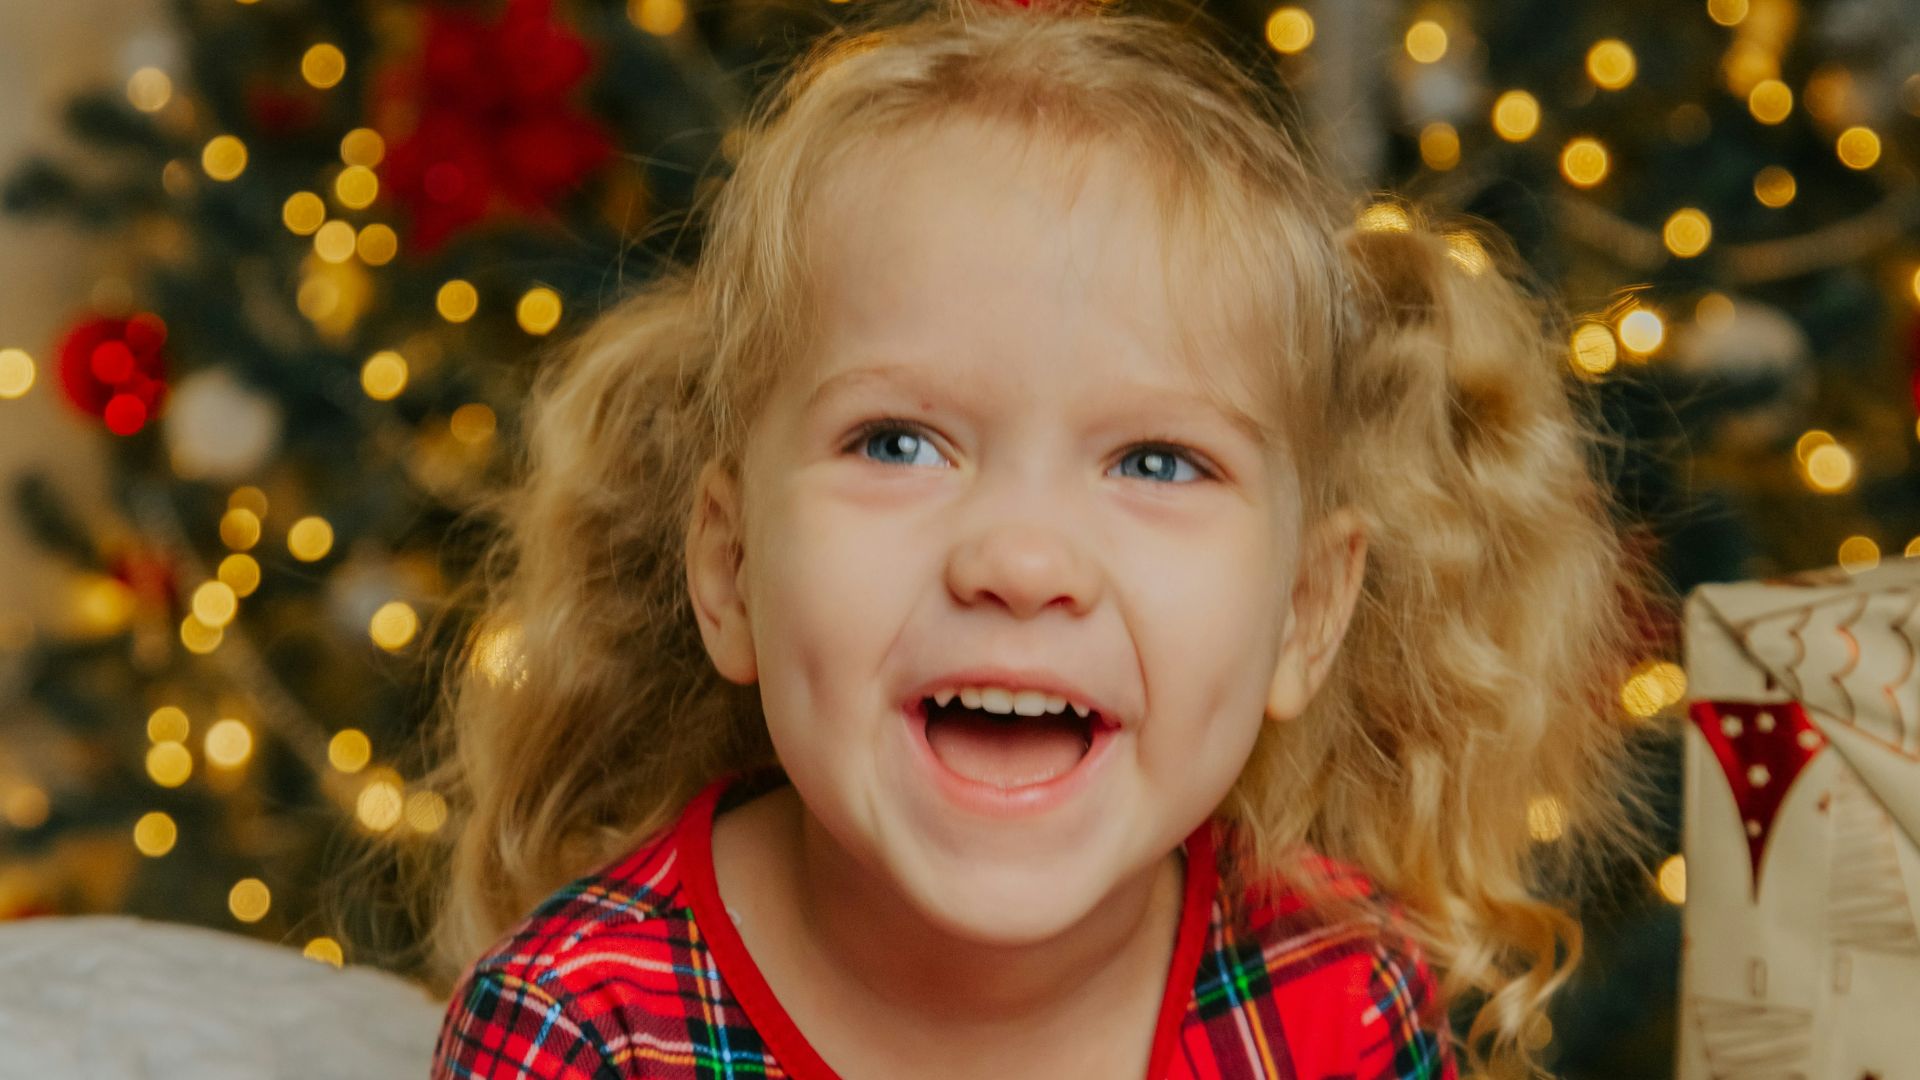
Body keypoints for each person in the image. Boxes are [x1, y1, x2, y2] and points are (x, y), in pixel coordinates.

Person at [416, 0, 1663, 1075]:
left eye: (1158, 462)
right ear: (732, 571)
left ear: (1305, 611)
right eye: (897, 442)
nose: (1021, 563)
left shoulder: (1332, 1005)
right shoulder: (584, 1026)